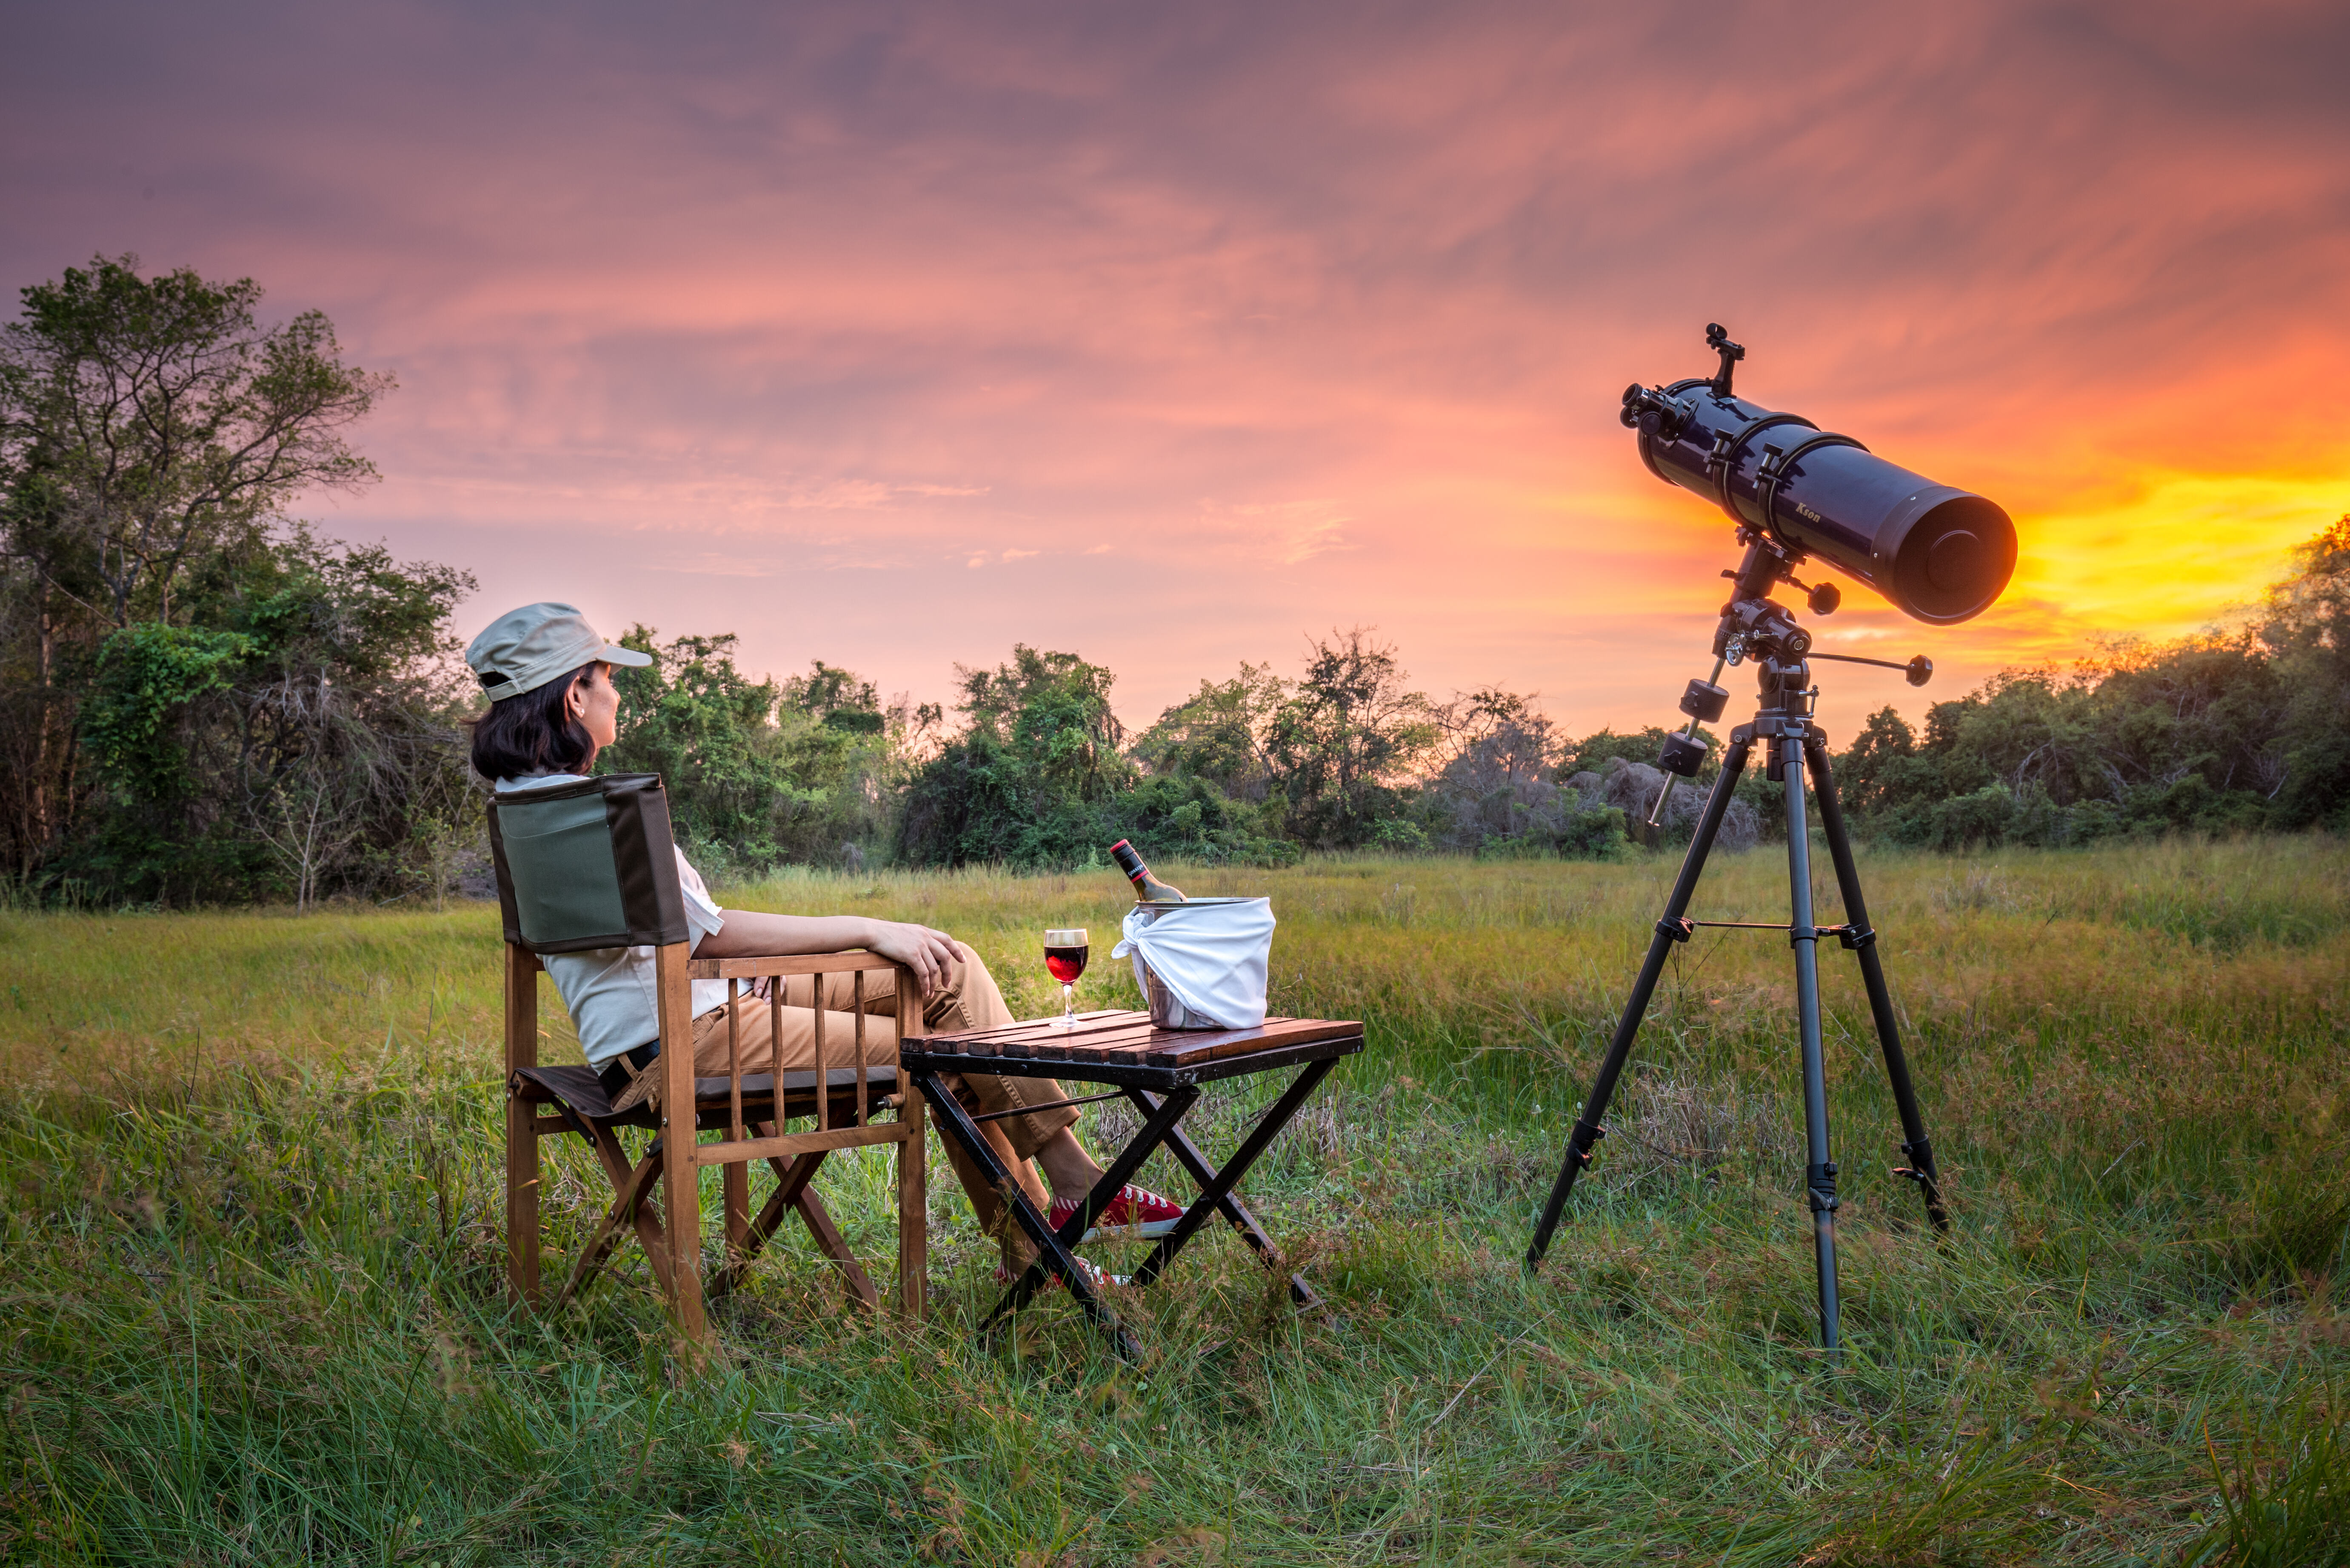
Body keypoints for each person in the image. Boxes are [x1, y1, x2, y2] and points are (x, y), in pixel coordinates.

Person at [465, 602, 1179, 1280]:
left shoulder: (529, 814)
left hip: (697, 1010)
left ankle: (1069, 1190)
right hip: (687, 1040)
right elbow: (707, 942)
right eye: (609, 679)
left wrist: (745, 972)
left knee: (948, 972)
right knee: (941, 1053)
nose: (618, 696)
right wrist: (869, 927)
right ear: (573, 701)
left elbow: (683, 939)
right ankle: (1052, 1235)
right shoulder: (606, 812)